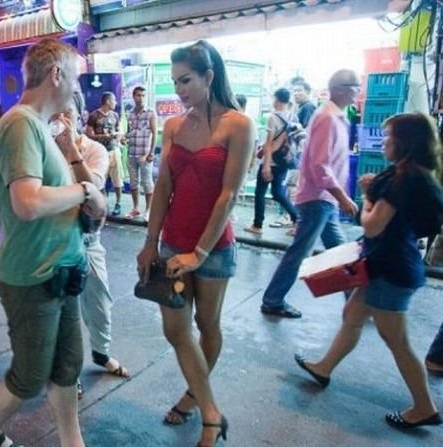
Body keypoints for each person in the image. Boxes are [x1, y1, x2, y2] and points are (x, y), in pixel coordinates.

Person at [0, 38, 106, 447]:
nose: (78, 88)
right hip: (32, 275)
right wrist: (83, 192)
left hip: (61, 271)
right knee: (29, 375)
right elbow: (26, 203)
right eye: (75, 78)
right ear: (56, 74)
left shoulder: (41, 127)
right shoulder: (20, 123)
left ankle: (71, 441)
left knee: (66, 367)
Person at [136, 40, 253, 447]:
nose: (179, 89)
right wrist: (151, 241)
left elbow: (229, 194)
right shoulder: (173, 126)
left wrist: (198, 253)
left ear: (209, 76)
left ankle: (194, 401)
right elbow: (163, 185)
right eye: (174, 82)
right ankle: (211, 411)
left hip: (214, 249)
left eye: (185, 80)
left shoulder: (238, 124)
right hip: (171, 246)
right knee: (176, 330)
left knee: (207, 325)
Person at [294, 112, 443, 429]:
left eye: (389, 137)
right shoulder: (413, 173)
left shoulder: (402, 180)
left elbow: (373, 226)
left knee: (397, 340)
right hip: (389, 264)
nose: (383, 142)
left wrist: (365, 198)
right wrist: (375, 190)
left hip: (391, 269)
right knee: (353, 314)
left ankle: (424, 406)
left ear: (404, 142)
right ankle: (324, 367)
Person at [260, 69, 360, 319]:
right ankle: (273, 299)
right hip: (319, 198)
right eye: (354, 87)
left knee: (339, 252)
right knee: (304, 252)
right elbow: (320, 165)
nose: (357, 92)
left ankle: (358, 303)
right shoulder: (327, 117)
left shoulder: (335, 116)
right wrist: (342, 197)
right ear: (339, 89)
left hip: (323, 199)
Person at [59, 91, 129, 391]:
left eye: (67, 113)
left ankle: (101, 354)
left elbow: (95, 191)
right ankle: (68, 376)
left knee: (100, 303)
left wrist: (69, 150)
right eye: (54, 113)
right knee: (66, 312)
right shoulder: (42, 149)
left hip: (89, 239)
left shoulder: (94, 149)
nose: (60, 120)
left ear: (79, 114)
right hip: (57, 241)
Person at [245, 88, 300, 236]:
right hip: (284, 161)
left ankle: (257, 225)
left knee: (260, 193)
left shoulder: (273, 118)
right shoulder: (293, 117)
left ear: (276, 100)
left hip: (272, 161)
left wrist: (266, 166)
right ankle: (297, 219)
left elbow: (269, 144)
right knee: (277, 192)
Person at [86, 92, 124, 216]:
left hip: (114, 150)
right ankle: (102, 204)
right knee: (100, 179)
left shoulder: (115, 115)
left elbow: (118, 130)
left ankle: (118, 203)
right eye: (114, 100)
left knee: (117, 178)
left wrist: (118, 136)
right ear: (107, 101)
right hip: (100, 153)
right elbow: (89, 134)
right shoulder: (94, 116)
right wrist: (103, 136)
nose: (115, 103)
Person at [125, 86, 157, 221]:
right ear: (134, 96)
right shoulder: (130, 113)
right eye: (138, 95)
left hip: (144, 153)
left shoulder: (150, 113)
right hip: (132, 152)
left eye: (143, 95)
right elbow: (130, 131)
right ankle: (136, 208)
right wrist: (124, 137)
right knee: (133, 182)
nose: (141, 98)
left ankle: (149, 210)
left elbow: (155, 133)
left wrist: (151, 153)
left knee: (147, 182)